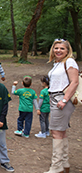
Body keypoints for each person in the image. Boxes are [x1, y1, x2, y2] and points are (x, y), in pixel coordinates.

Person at [44, 39, 78, 173]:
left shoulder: (69, 62)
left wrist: (64, 100)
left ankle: (56, 166)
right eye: (56, 48)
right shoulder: (57, 63)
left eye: (62, 48)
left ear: (68, 51)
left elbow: (74, 82)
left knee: (56, 131)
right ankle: (64, 163)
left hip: (62, 98)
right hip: (55, 97)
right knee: (60, 130)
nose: (58, 50)